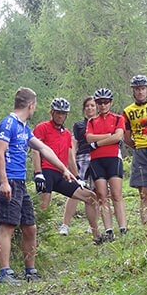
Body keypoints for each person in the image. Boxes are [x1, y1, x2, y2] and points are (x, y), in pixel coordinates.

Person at [0, 87, 79, 284]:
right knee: (7, 226)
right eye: (35, 106)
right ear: (30, 105)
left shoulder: (23, 128)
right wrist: (4, 182)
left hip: (20, 183)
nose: (34, 110)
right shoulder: (8, 124)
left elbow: (43, 148)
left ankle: (30, 270)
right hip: (8, 181)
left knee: (30, 227)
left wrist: (64, 169)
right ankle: (4, 273)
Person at [31, 98, 101, 242]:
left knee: (91, 196)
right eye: (58, 113)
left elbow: (70, 157)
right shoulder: (42, 127)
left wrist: (77, 177)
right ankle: (36, 243)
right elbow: (36, 151)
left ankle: (97, 235)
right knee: (43, 206)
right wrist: (38, 173)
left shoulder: (67, 133)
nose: (60, 116)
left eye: (63, 113)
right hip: (46, 171)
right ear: (52, 112)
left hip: (62, 174)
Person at [85, 88, 128, 243]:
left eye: (106, 102)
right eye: (100, 103)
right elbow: (89, 138)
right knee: (102, 196)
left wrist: (98, 143)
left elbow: (118, 136)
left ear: (110, 103)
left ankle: (123, 228)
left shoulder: (118, 118)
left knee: (116, 194)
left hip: (113, 159)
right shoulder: (91, 121)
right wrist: (107, 136)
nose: (103, 105)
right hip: (96, 161)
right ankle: (109, 230)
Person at [64, 96, 106, 235]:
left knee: (97, 191)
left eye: (93, 106)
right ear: (84, 108)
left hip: (98, 156)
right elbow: (73, 144)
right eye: (87, 106)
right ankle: (65, 224)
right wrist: (72, 161)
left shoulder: (101, 123)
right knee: (76, 190)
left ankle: (93, 225)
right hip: (82, 157)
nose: (90, 108)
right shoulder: (79, 125)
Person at [123, 75, 147, 224]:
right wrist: (136, 146)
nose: (140, 92)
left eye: (143, 88)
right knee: (144, 192)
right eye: (137, 89)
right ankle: (146, 224)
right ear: (133, 91)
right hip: (140, 152)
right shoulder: (127, 111)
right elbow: (126, 137)